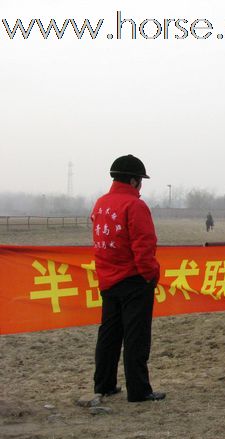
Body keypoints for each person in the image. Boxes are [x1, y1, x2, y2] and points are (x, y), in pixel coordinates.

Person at [91, 154, 165, 402]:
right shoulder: (135, 206)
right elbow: (144, 246)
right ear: (134, 181)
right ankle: (139, 390)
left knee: (109, 334)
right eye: (141, 181)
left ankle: (104, 384)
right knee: (136, 337)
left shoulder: (101, 204)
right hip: (134, 280)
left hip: (107, 278)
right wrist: (150, 275)